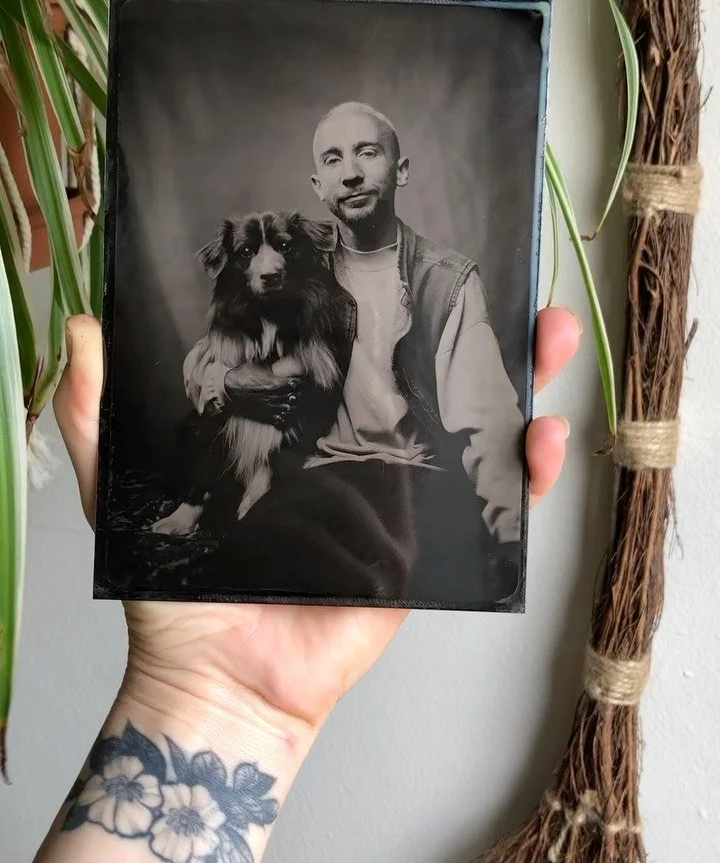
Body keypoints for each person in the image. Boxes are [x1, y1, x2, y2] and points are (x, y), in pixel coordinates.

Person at [35, 299, 580, 862]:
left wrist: (223, 700)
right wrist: (199, 688)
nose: (268, 273)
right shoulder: (224, 344)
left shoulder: (372, 314)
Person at [185, 102, 533, 601]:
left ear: (401, 171)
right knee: (240, 569)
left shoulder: (445, 282)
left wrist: (510, 537)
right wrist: (230, 382)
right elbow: (202, 362)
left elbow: (491, 424)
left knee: (387, 577)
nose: (350, 174)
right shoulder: (295, 269)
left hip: (415, 480)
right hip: (316, 476)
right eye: (332, 160)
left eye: (367, 153)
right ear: (317, 187)